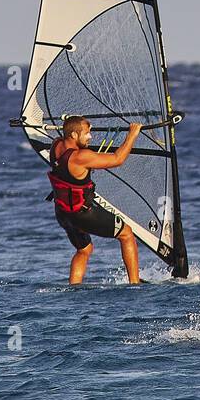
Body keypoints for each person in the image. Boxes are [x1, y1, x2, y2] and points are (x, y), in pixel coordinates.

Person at [47, 116, 142, 284]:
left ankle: (74, 287)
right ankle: (135, 283)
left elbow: (68, 131)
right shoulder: (80, 157)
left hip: (62, 213)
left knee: (84, 249)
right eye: (87, 133)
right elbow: (117, 159)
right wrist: (132, 135)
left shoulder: (56, 145)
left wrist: (75, 124)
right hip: (81, 214)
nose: (90, 137)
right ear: (74, 135)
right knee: (126, 234)